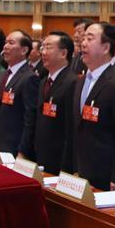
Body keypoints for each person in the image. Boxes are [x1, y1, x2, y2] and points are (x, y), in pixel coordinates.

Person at [64, 22, 115, 189]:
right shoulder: (80, 82)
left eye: (90, 38)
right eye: (83, 38)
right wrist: (74, 168)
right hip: (81, 171)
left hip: (105, 175)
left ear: (106, 47)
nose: (83, 43)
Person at [18, 31, 77, 174]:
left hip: (60, 159)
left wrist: (67, 166)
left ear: (63, 53)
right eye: (42, 47)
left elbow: (71, 128)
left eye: (48, 47)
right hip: (40, 154)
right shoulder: (44, 81)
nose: (43, 52)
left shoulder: (73, 82)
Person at [0, 30, 39, 155]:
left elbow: (30, 118)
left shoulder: (29, 78)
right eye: (6, 42)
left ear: (24, 50)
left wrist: (22, 150)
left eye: (11, 43)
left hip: (15, 147)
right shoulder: (3, 74)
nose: (5, 46)